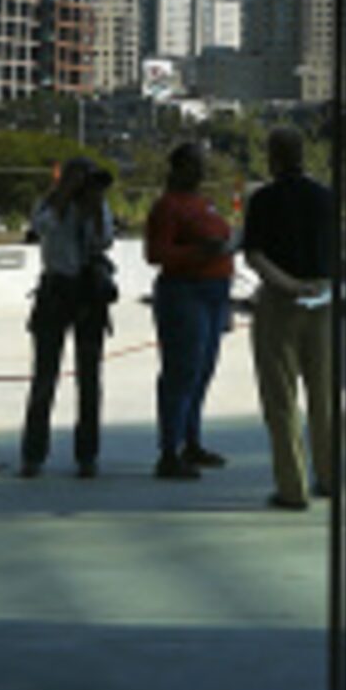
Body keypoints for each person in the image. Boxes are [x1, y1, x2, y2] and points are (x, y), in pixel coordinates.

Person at [241, 126, 340, 511]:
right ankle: (330, 477)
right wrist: (315, 286)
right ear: (303, 154)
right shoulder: (325, 198)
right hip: (323, 299)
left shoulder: (263, 200)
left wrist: (288, 285)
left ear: (272, 156)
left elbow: (254, 256)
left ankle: (292, 487)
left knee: (281, 399)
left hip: (281, 303)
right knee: (324, 396)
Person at [140, 140, 236, 479]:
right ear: (179, 168)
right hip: (185, 292)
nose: (201, 170)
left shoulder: (204, 204)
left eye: (202, 164)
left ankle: (191, 441)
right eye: (195, 164)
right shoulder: (167, 207)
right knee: (181, 371)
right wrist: (200, 252)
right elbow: (155, 254)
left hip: (215, 292)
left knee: (203, 370)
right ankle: (169, 450)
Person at [20, 156, 117, 479]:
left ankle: (87, 455)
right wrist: (63, 197)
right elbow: (40, 228)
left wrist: (95, 208)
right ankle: (33, 454)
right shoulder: (49, 204)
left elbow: (104, 241)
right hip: (55, 291)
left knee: (89, 379)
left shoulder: (95, 205)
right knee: (45, 377)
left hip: (88, 294)